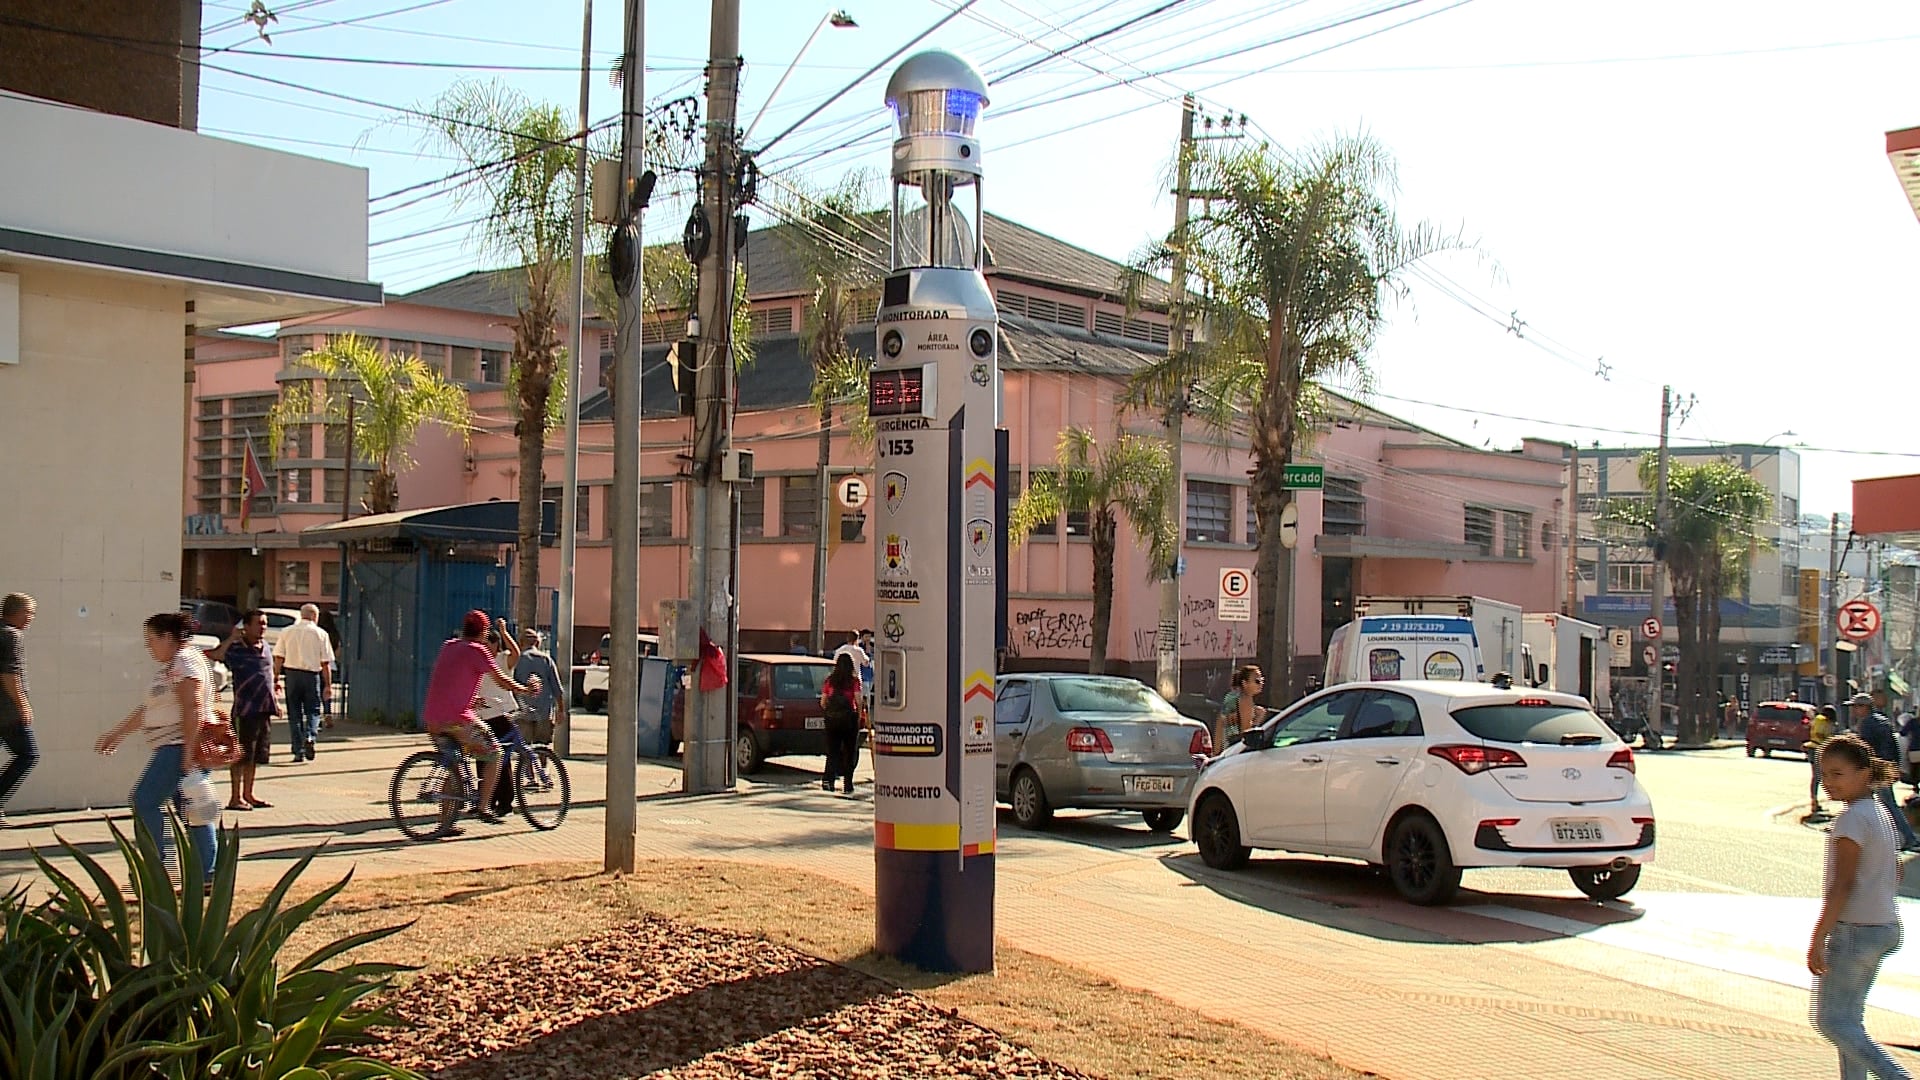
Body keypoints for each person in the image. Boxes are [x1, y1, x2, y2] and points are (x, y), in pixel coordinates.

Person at [1808, 732, 1914, 1080]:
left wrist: (1819, 936)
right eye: (1824, 773)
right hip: (1884, 925)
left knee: (1830, 1020)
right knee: (1849, 1021)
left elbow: (1843, 885)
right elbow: (1895, 868)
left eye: (1838, 774)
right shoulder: (1879, 812)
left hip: (1855, 931)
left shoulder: (1851, 819)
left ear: (1864, 774)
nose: (1828, 782)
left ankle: (1896, 1076)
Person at [94, 612, 221, 883]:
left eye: (151, 640)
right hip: (175, 745)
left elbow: (193, 706)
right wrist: (117, 734)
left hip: (177, 747)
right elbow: (151, 709)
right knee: (193, 808)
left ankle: (157, 870)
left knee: (145, 801)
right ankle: (205, 872)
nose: (148, 646)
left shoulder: (184, 661)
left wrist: (188, 752)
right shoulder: (175, 664)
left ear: (168, 637)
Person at [421, 611, 540, 835]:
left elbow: (451, 678)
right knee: (493, 753)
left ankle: (445, 823)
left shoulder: (449, 646)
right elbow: (500, 678)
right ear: (484, 633)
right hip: (457, 719)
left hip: (433, 718)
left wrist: (470, 698)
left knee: (453, 768)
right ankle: (484, 806)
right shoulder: (478, 650)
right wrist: (524, 689)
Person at [216, 610, 280, 810]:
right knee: (240, 756)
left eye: (265, 623)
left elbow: (269, 675)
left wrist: (275, 701)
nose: (263, 627)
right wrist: (232, 637)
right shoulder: (237, 649)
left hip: (264, 709)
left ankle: (248, 795)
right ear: (247, 626)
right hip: (245, 710)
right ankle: (235, 797)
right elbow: (216, 655)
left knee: (255, 756)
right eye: (259, 623)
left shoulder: (266, 647)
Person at [1850, 692, 1920, 852]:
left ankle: (1909, 839)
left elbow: (1865, 748)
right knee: (1876, 803)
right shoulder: (1883, 720)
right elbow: (1894, 744)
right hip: (1885, 766)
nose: (1854, 710)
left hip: (1876, 768)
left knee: (1884, 803)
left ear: (1864, 707)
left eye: (1856, 706)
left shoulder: (1867, 723)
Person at [273, 603, 334, 761]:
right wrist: (328, 685)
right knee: (313, 710)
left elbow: (279, 656)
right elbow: (325, 663)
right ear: (315, 616)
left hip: (292, 675)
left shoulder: (287, 632)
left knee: (294, 714)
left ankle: (297, 751)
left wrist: (276, 677)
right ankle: (310, 737)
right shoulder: (321, 634)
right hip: (311, 675)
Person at [0, 592, 40, 827]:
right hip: (7, 711)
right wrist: (22, 704)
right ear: (18, 612)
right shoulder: (12, 635)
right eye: (30, 613)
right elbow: (9, 675)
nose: (31, 618)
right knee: (28, 754)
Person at [819, 652, 865, 794]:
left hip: (832, 720)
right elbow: (858, 700)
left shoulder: (830, 681)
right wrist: (858, 716)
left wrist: (830, 712)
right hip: (848, 720)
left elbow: (823, 702)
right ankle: (848, 784)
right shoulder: (854, 681)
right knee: (849, 752)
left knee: (832, 751)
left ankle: (828, 781)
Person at [513, 628, 562, 746]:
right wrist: (561, 710)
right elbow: (557, 688)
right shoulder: (546, 659)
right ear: (537, 642)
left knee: (525, 750)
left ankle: (528, 764)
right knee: (543, 747)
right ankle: (542, 764)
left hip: (523, 711)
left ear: (520, 642)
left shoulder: (516, 660)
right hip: (544, 712)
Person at [1217, 665, 1267, 750]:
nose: (1261, 684)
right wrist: (1259, 719)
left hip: (1226, 748)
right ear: (1245, 683)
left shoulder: (1232, 697)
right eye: (1257, 681)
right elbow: (1247, 733)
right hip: (1235, 749)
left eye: (1262, 680)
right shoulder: (1245, 699)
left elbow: (1221, 723)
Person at [1810, 704, 1838, 816]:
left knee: (1817, 777)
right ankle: (1814, 802)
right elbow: (1821, 734)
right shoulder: (1824, 721)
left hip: (1813, 748)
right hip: (1819, 749)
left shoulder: (1818, 719)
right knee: (1818, 777)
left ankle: (1814, 801)